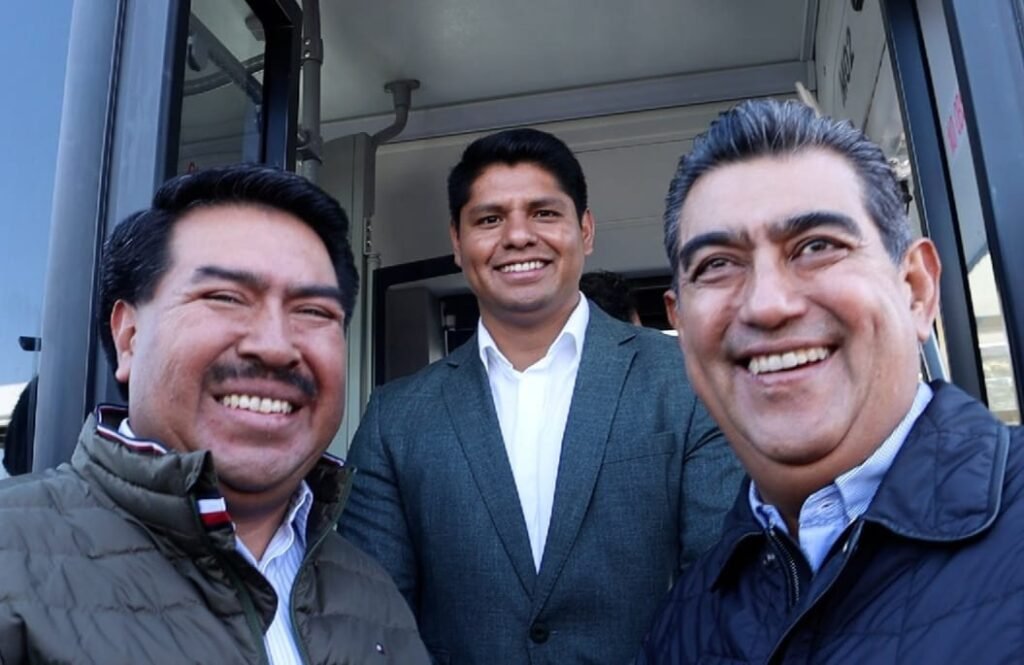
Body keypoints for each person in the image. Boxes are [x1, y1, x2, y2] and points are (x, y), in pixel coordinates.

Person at [638, 98, 1024, 663]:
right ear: (681, 326)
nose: (767, 305)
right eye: (717, 264)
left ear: (916, 290)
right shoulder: (682, 625)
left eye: (817, 247)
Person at [341, 128, 742, 664]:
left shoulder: (686, 380)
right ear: (457, 242)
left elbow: (723, 593)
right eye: (489, 219)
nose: (518, 236)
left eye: (544, 213)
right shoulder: (396, 419)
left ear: (586, 230)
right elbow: (375, 627)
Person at [0, 165, 429, 664]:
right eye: (225, 298)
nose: (274, 346)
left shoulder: (376, 600)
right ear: (129, 337)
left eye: (314, 311)